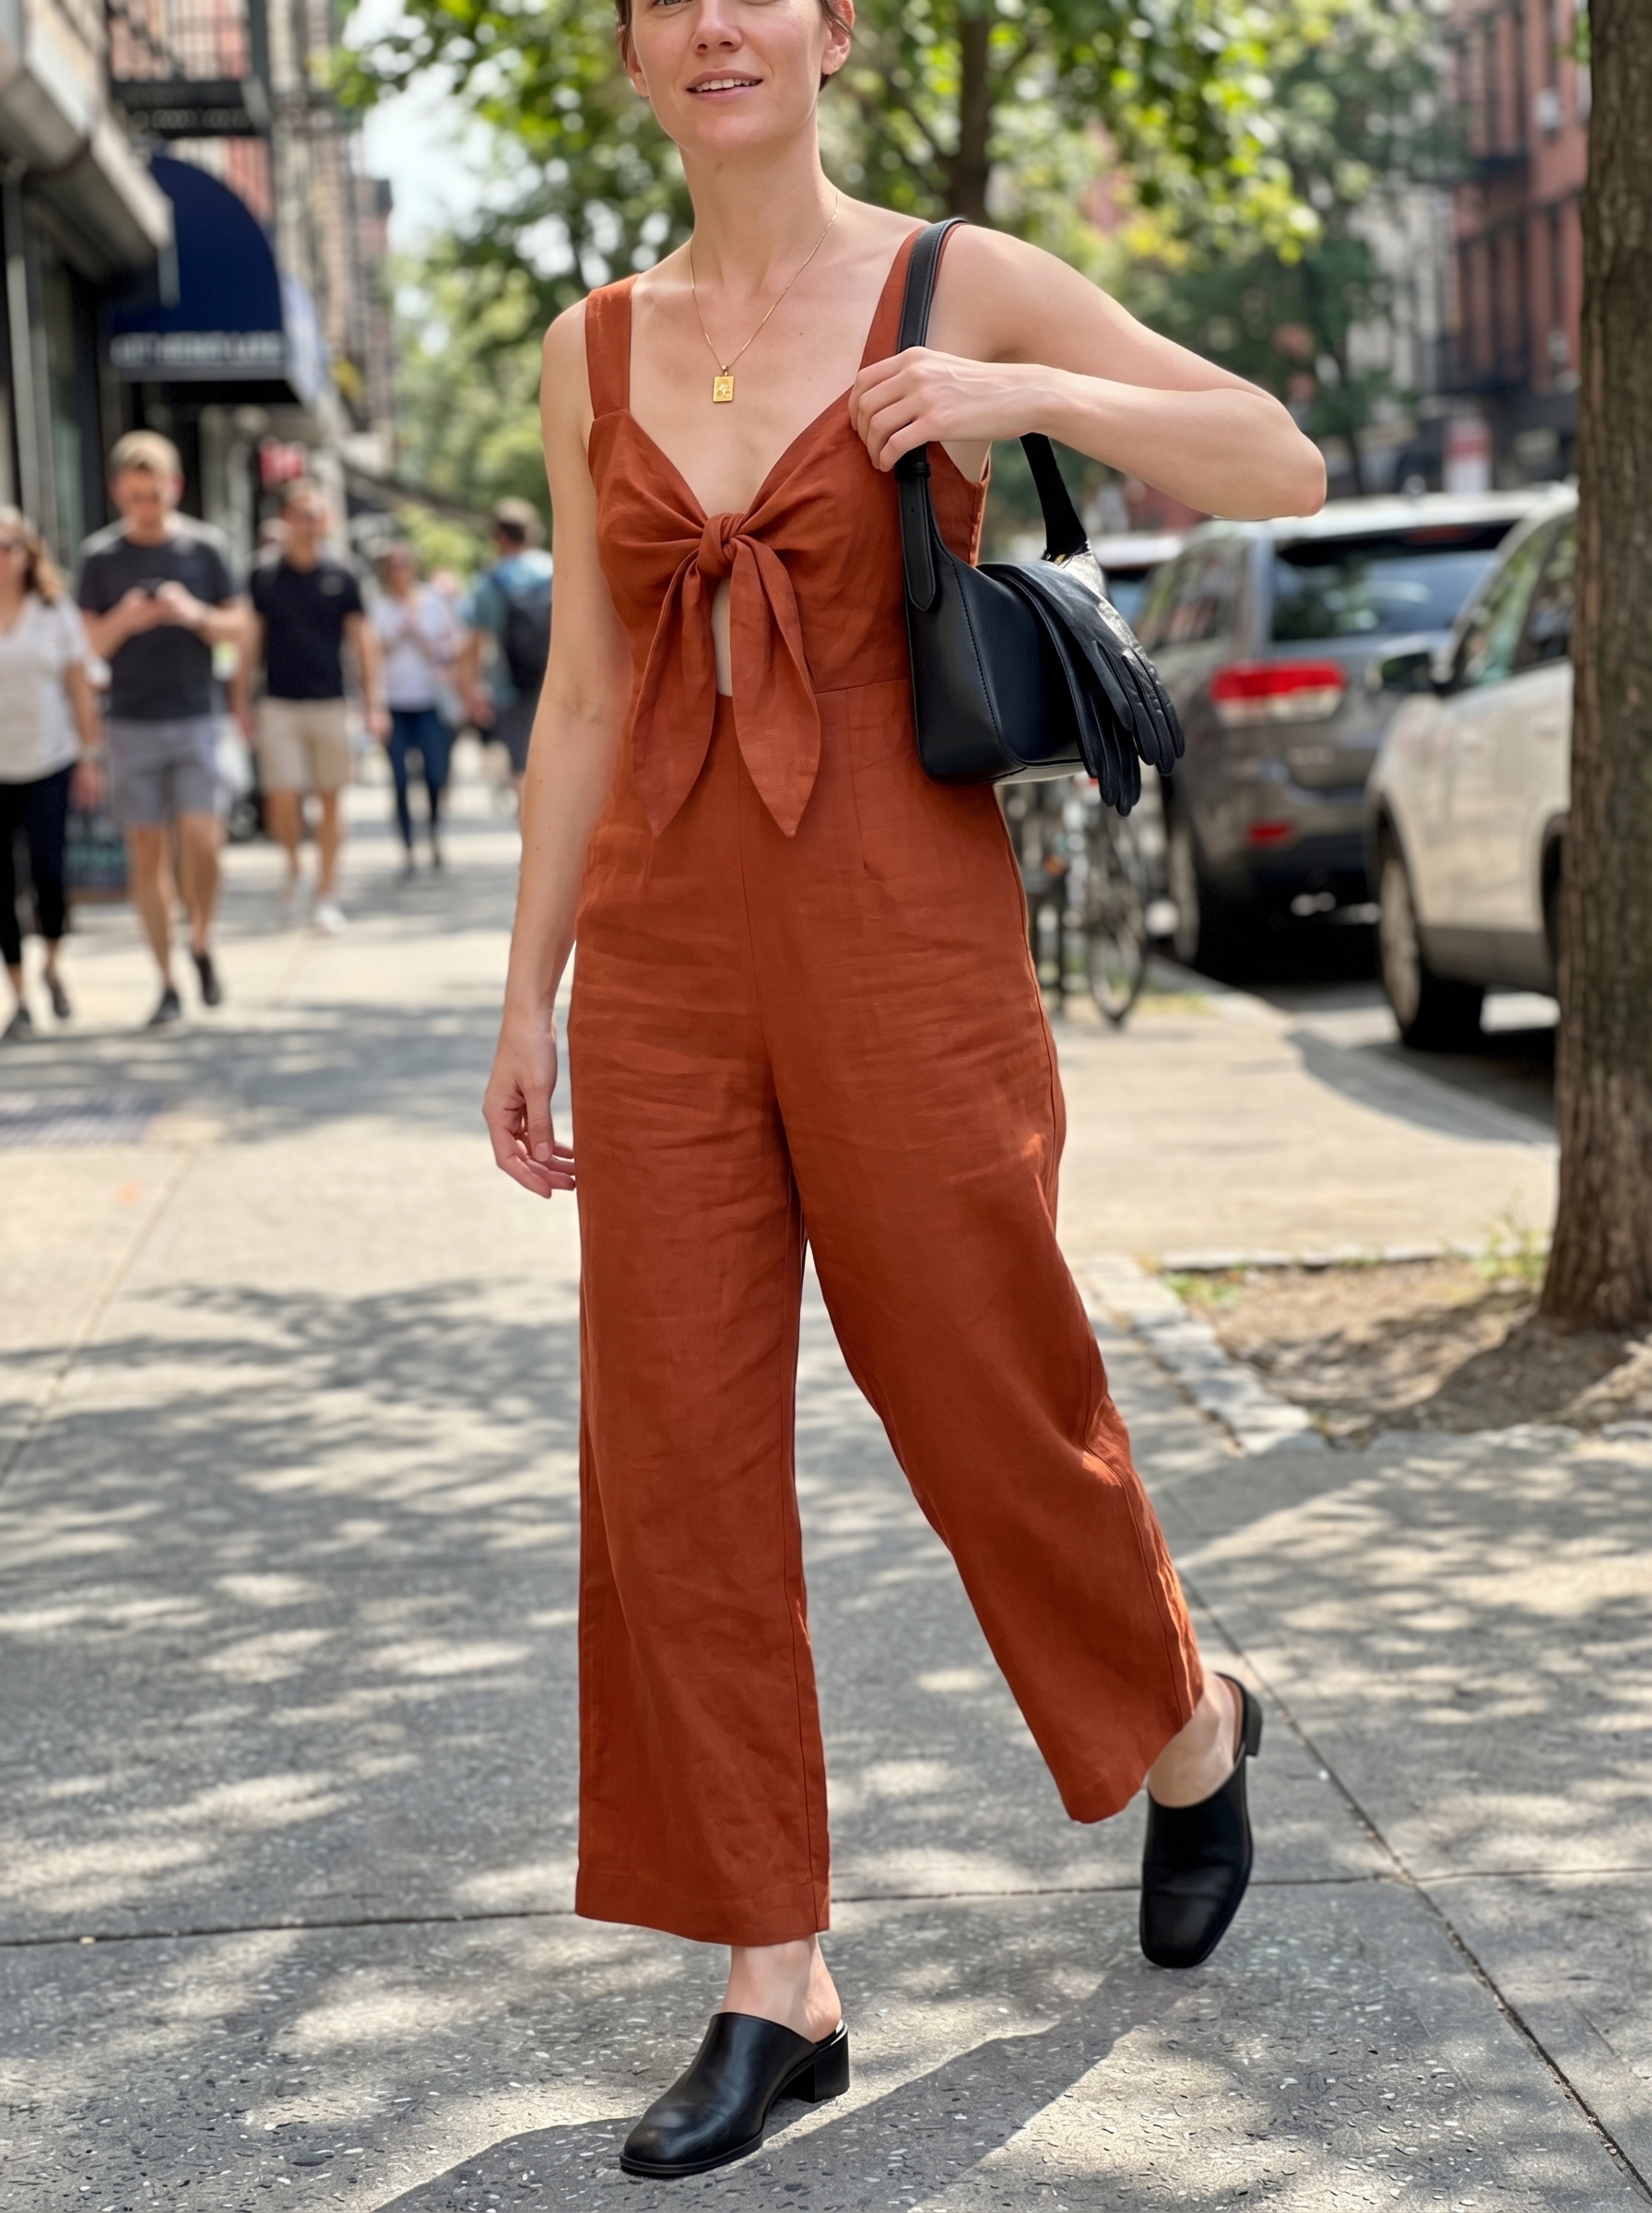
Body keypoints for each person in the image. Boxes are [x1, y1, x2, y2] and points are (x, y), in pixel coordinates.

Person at [481, 0, 1326, 2182]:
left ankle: (1183, 1715)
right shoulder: (590, 350)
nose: (715, 26)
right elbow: (583, 688)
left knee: (982, 1384)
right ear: (641, 56)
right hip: (665, 950)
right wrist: (529, 997)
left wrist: (1020, 393)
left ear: (834, 30)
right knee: (667, 1451)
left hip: (898, 926)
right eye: (670, 1)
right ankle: (775, 1969)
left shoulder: (957, 278)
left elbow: (1277, 461)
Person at [77, 431, 248, 1027]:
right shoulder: (99, 558)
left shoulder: (205, 548)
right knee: (146, 853)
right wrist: (126, 617)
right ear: (118, 493)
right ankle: (166, 979)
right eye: (135, 496)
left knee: (204, 842)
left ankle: (200, 938)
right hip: (128, 722)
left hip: (196, 714)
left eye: (155, 494)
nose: (146, 506)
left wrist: (194, 613)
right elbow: (87, 645)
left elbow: (241, 630)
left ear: (174, 487)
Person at [241, 479, 385, 932]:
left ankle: (326, 893)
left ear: (328, 519)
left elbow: (363, 642)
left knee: (331, 799)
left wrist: (373, 704)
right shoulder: (263, 575)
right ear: (286, 519)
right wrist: (240, 702)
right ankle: (292, 865)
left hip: (330, 702)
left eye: (316, 513)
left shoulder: (344, 574)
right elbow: (248, 642)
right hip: (279, 702)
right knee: (282, 797)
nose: (309, 522)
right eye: (301, 513)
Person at [0, 507, 102, 1040]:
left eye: (7, 547)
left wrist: (89, 754)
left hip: (50, 759)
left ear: (26, 552)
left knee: (48, 873)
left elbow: (79, 684)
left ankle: (54, 963)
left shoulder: (52, 608)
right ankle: (17, 994)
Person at [372, 543, 464, 874]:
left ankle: (436, 833)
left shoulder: (434, 603)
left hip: (430, 702)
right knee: (398, 777)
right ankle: (408, 848)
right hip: (394, 703)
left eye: (404, 566)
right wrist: (401, 631)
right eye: (392, 568)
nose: (399, 573)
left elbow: (453, 645)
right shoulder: (379, 607)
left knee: (435, 774)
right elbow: (371, 652)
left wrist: (426, 640)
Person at [457, 498, 552, 803]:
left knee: (522, 769)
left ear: (499, 537)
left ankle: (531, 837)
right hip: (556, 681)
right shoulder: (555, 569)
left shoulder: (488, 582)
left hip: (510, 687)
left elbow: (474, 643)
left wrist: (470, 691)